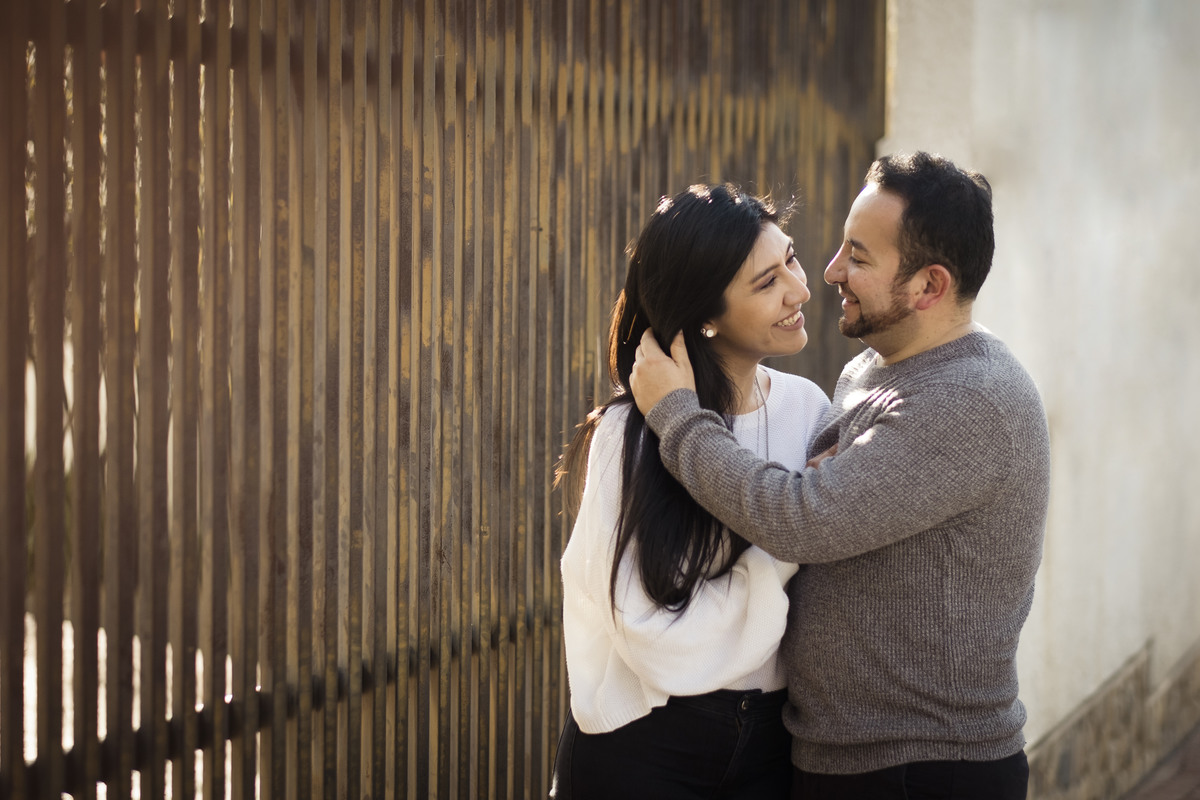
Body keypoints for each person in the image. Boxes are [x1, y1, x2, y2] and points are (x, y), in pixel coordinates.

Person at [628, 152, 1051, 800]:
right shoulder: (870, 372)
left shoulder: (971, 400)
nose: (829, 272)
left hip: (923, 770)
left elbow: (801, 520)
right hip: (850, 758)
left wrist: (676, 417)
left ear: (928, 287)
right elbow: (822, 505)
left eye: (858, 256)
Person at [550, 183, 831, 799]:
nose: (800, 289)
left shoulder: (809, 410)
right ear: (705, 314)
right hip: (646, 745)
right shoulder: (633, 432)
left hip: (772, 745)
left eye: (791, 257)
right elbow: (659, 644)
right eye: (766, 283)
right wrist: (794, 535)